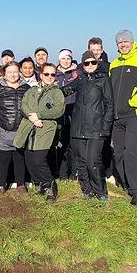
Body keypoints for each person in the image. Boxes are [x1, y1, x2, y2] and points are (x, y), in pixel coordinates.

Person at [110, 29, 137, 205]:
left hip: (135, 114)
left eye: (125, 41)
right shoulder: (114, 64)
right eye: (120, 42)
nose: (123, 45)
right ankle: (127, 184)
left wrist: (134, 101)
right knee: (119, 152)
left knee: (131, 150)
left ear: (131, 42)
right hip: (116, 116)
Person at [62, 50, 113, 200]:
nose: (90, 65)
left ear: (97, 63)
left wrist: (105, 126)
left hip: (96, 127)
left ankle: (100, 191)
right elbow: (66, 90)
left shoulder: (104, 79)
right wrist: (49, 91)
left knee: (93, 160)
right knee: (81, 161)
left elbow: (110, 105)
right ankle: (87, 190)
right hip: (78, 127)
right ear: (83, 65)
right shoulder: (80, 79)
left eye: (93, 62)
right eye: (86, 63)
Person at [15, 63, 65, 202]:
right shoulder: (31, 90)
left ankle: (50, 185)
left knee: (38, 160)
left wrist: (39, 115)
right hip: (29, 126)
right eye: (47, 74)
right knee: (29, 159)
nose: (50, 77)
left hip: (46, 127)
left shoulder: (56, 92)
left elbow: (58, 110)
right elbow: (23, 105)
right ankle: (39, 184)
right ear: (41, 75)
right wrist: (31, 117)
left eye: (53, 74)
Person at [0, 61, 31, 193]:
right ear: (4, 74)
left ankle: (20, 185)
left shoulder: (26, 88)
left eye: (15, 72)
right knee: (4, 159)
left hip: (20, 131)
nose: (13, 75)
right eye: (9, 72)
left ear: (19, 72)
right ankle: (1, 185)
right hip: (2, 130)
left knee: (19, 159)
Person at [55, 48, 78, 180]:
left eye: (68, 58)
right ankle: (62, 174)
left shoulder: (76, 74)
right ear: (59, 59)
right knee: (61, 146)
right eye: (63, 58)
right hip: (59, 117)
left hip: (74, 115)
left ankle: (74, 173)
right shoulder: (54, 74)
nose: (65, 61)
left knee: (74, 147)